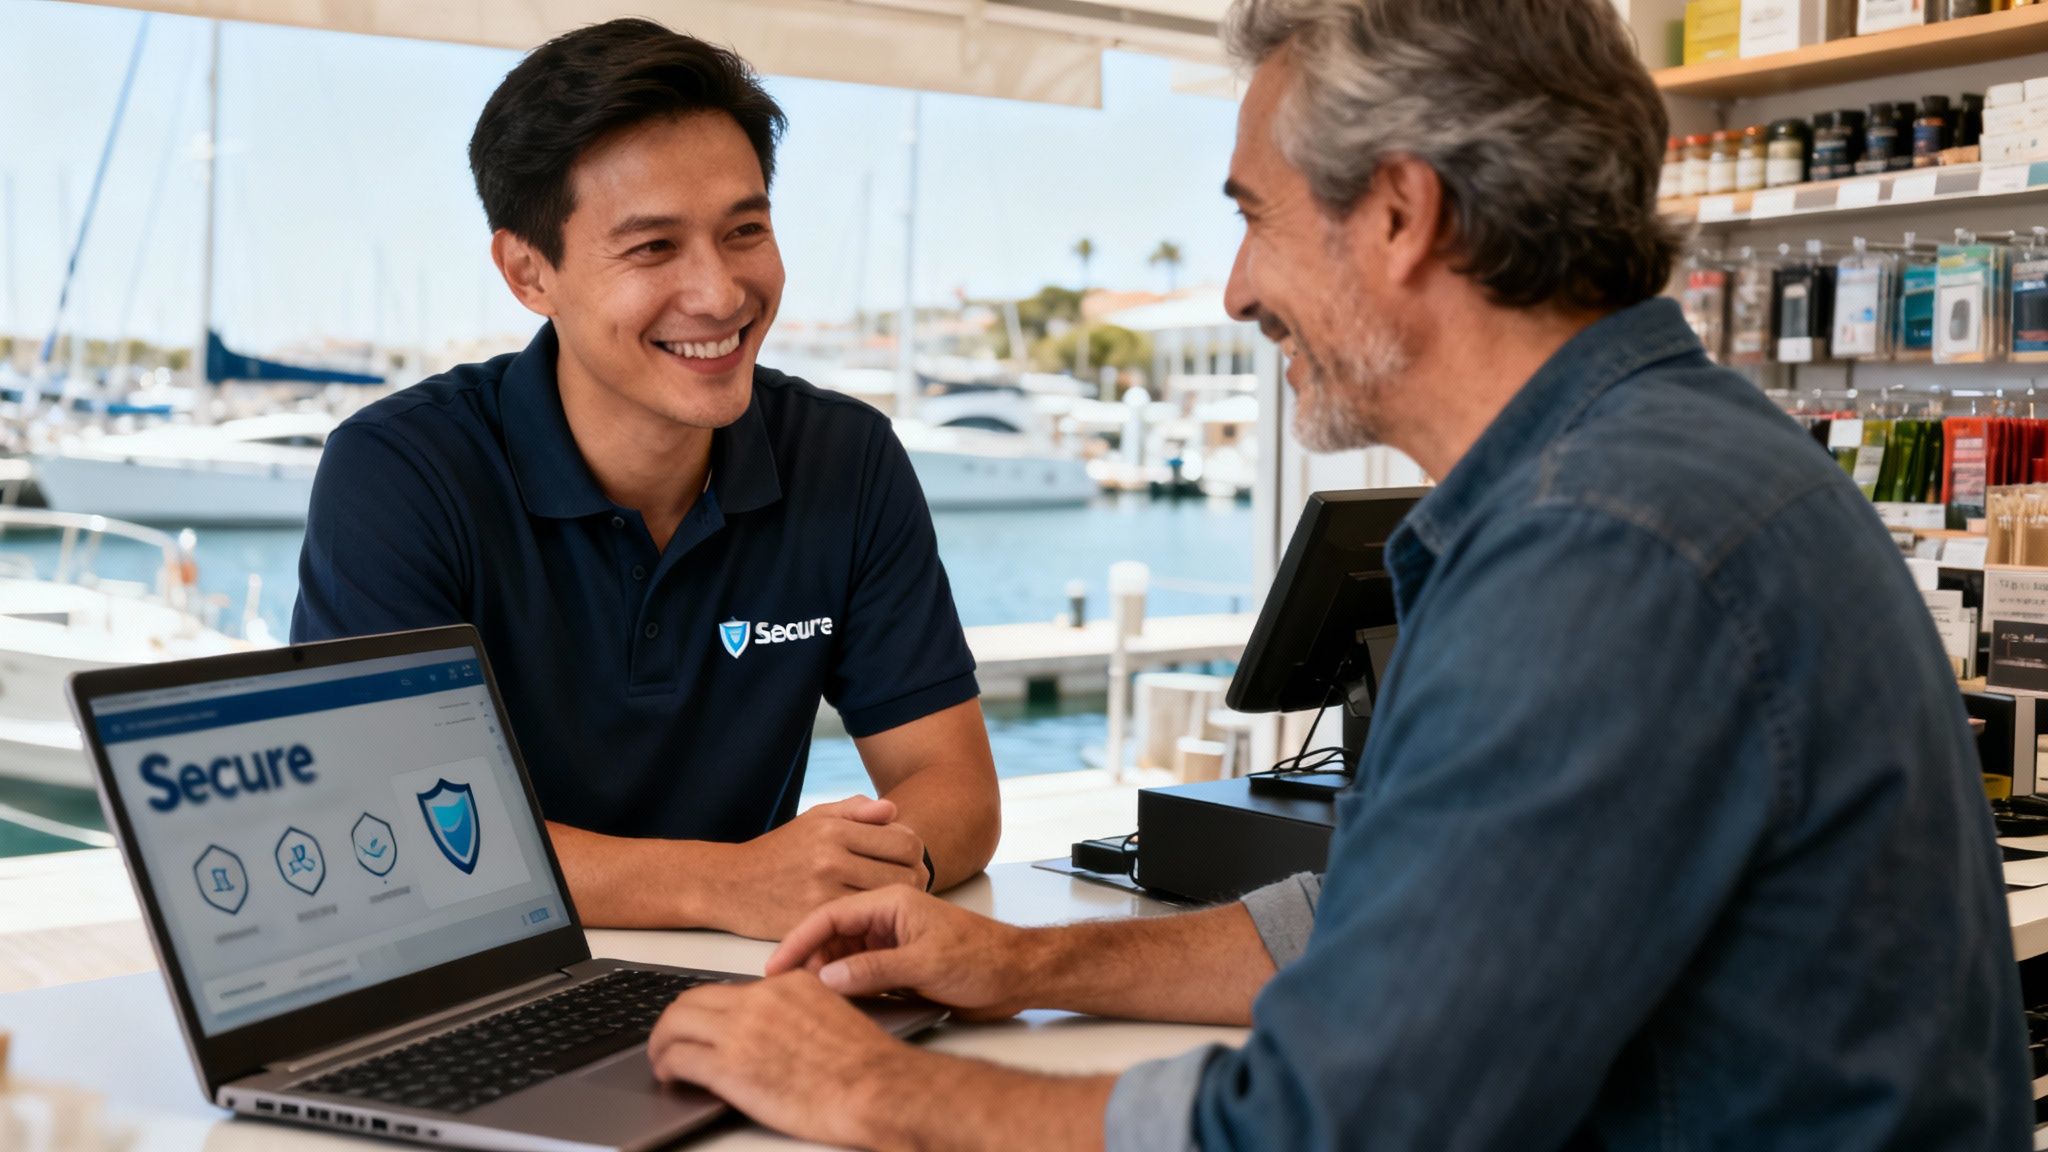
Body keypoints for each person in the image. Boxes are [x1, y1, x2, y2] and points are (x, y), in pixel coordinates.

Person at [642, 0, 2031, 1147]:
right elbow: (1375, 916)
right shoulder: (1664, 465)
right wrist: (1020, 966)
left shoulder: (1599, 549)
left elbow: (1333, 1125)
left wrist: (881, 1092)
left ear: (1401, 215)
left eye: (1254, 214)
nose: (1237, 289)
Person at [291, 20, 1001, 940]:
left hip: (758, 980)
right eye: (654, 248)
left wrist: (848, 877)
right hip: (486, 982)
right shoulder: (401, 472)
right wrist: (728, 885)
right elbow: (384, 834)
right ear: (527, 271)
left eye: (744, 230)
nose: (719, 294)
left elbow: (957, 791)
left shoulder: (846, 458)